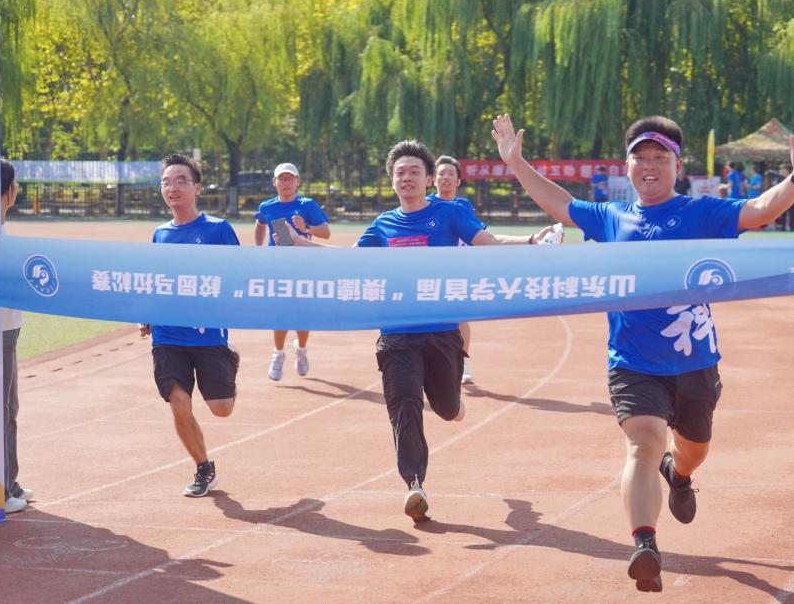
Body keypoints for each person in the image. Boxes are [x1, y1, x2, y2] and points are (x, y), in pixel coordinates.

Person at [492, 113, 794, 593]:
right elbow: (562, 204)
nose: (649, 165)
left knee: (692, 450)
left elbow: (759, 210)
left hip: (695, 362)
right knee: (643, 443)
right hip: (632, 363)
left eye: (659, 157)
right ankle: (645, 544)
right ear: (627, 166)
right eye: (640, 158)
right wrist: (516, 163)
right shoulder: (612, 217)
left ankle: (680, 475)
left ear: (677, 166)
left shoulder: (701, 213)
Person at [288, 141, 555, 523]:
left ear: (428, 179)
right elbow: (348, 261)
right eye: (400, 172)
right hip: (396, 334)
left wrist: (531, 241)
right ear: (392, 180)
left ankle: (454, 403)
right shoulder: (383, 226)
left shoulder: (449, 213)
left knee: (445, 409)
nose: (407, 177)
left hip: (442, 331)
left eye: (415, 171)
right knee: (405, 405)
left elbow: (489, 243)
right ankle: (414, 484)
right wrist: (301, 243)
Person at [139, 154, 241, 497]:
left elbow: (239, 274)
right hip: (168, 334)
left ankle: (231, 359)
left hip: (208, 333)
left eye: (181, 181)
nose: (173, 188)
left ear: (197, 188)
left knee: (222, 409)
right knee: (178, 401)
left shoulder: (217, 229)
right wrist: (148, 313)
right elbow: (156, 281)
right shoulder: (160, 234)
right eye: (166, 182)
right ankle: (203, 466)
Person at [254, 162, 331, 381]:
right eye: (282, 179)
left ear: (297, 181)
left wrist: (306, 228)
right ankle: (278, 354)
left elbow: (325, 233)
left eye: (290, 179)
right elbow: (260, 224)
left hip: (303, 266)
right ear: (274, 182)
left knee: (301, 314)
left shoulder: (307, 205)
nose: (286, 183)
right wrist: (258, 248)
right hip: (278, 266)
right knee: (280, 313)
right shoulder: (268, 207)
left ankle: (301, 350)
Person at [429, 155, 481, 385]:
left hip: (457, 270)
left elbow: (477, 235)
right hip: (430, 271)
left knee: (459, 317)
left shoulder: (463, 207)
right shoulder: (426, 204)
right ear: (433, 179)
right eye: (441, 173)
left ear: (458, 181)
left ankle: (462, 362)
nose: (445, 177)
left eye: (450, 174)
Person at [0, 159, 32, 514]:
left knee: (10, 409)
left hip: (9, 329)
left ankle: (10, 481)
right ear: (9, 190)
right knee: (0, 410)